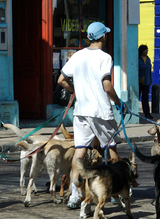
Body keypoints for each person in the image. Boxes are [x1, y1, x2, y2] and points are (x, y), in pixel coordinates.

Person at [57, 22, 123, 209]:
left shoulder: (78, 55)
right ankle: (115, 187)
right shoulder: (105, 57)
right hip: (100, 110)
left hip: (81, 111)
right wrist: (119, 103)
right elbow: (107, 86)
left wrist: (77, 91)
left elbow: (61, 80)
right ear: (103, 37)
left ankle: (74, 194)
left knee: (80, 151)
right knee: (111, 149)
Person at [138, 45, 153, 119]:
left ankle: (147, 113)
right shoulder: (138, 59)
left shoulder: (148, 59)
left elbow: (149, 70)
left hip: (146, 81)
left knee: (145, 98)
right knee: (136, 97)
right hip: (138, 82)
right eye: (145, 50)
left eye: (147, 50)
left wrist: (150, 79)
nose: (146, 52)